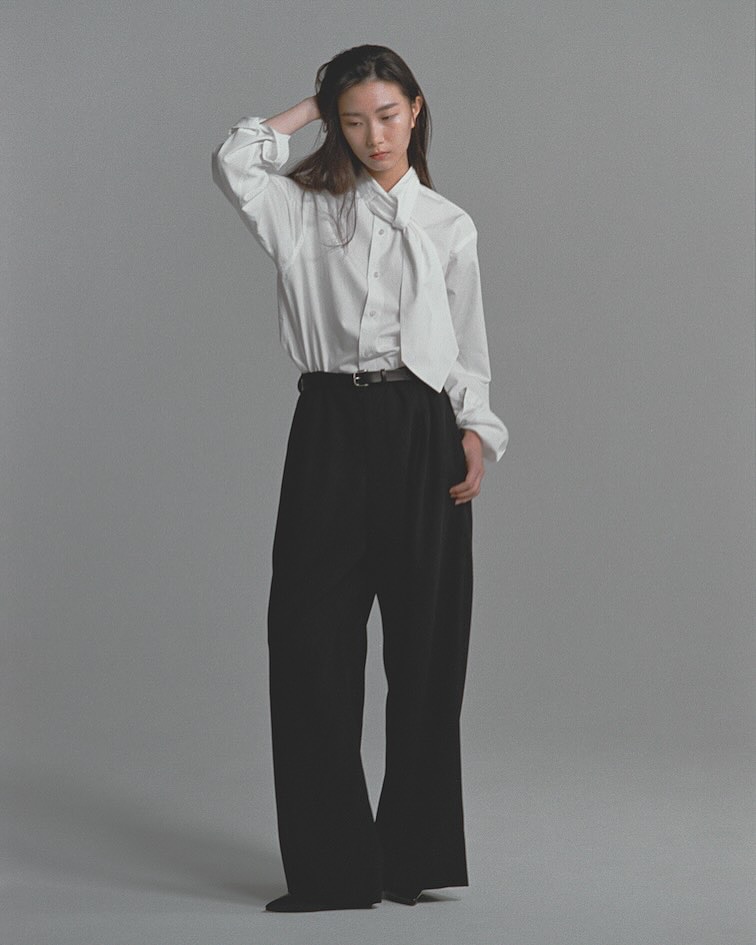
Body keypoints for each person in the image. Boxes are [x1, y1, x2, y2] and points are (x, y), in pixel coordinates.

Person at [211, 43, 508, 913]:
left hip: (424, 428)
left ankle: (409, 856)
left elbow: (466, 346)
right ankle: (332, 869)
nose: (373, 135)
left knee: (427, 647)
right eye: (352, 120)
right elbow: (234, 160)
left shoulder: (449, 224)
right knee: (309, 641)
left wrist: (476, 432)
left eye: (386, 113)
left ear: (416, 110)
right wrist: (313, 101)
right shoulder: (300, 211)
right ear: (335, 126)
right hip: (331, 427)